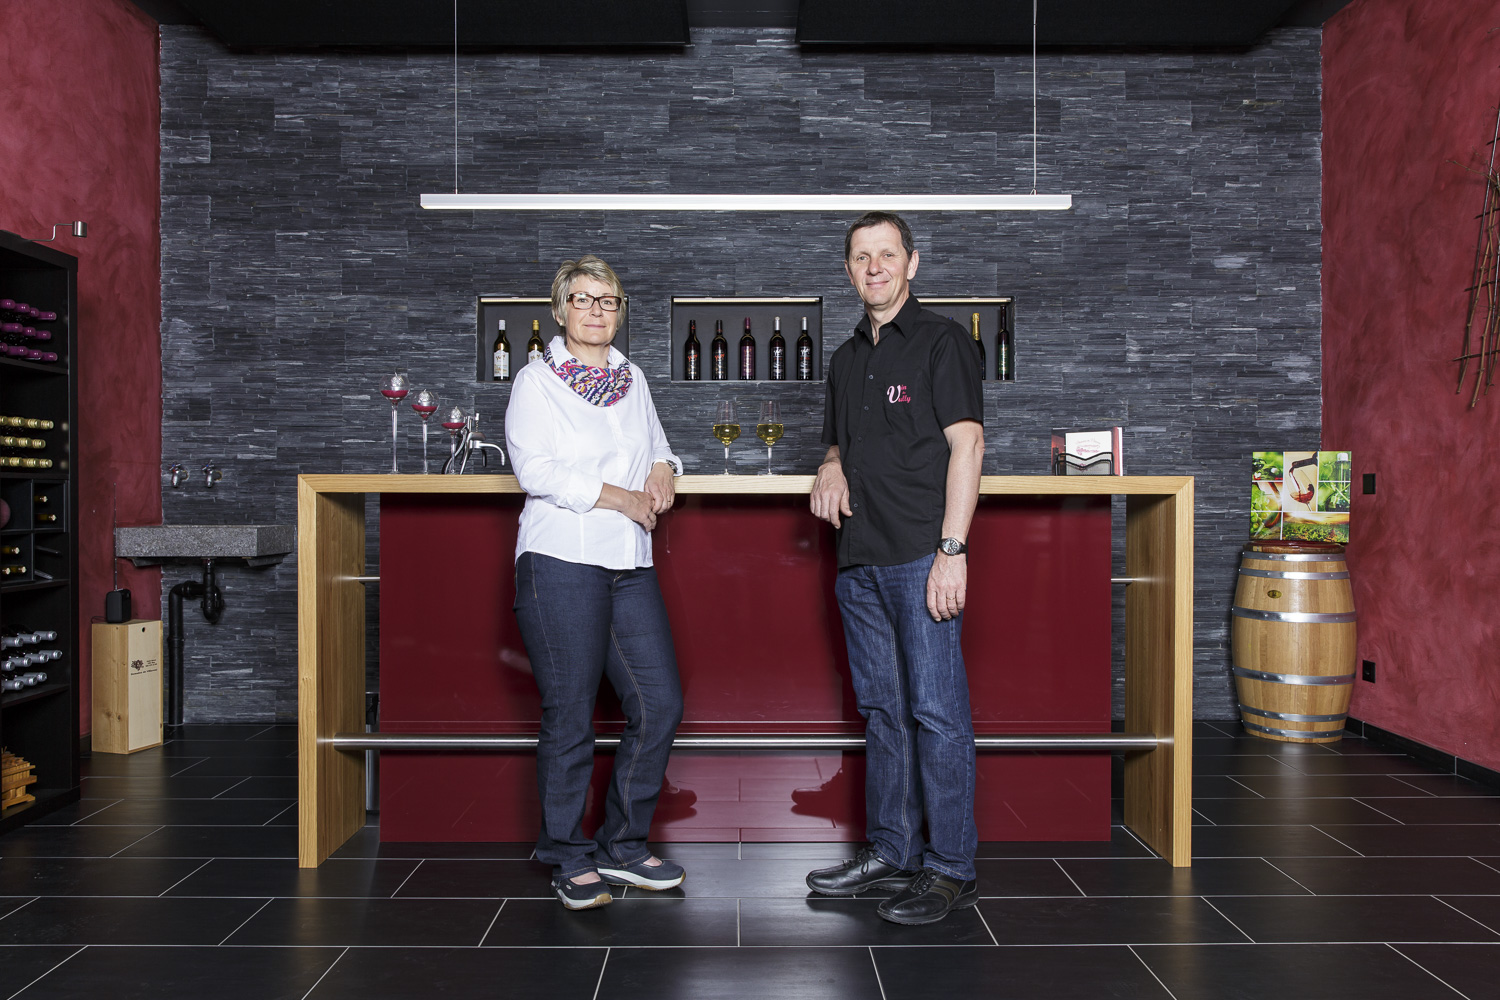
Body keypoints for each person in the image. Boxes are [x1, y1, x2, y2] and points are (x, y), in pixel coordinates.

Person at [805, 212, 985, 925]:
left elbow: (967, 448)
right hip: (859, 561)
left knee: (937, 713)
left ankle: (950, 867)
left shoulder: (943, 342)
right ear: (848, 270)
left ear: (912, 264)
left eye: (886, 254)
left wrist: (952, 550)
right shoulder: (847, 358)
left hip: (921, 556)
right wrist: (828, 466)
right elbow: (838, 444)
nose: (873, 266)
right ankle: (891, 851)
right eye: (860, 257)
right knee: (883, 712)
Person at [504, 255, 686, 910]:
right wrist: (623, 497)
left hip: (628, 564)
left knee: (659, 703)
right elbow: (537, 472)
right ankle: (565, 851)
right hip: (560, 559)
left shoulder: (631, 379)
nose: (596, 310)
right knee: (571, 712)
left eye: (608, 301)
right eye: (582, 299)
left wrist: (665, 469)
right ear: (559, 310)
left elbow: (659, 445)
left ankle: (624, 844)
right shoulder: (535, 382)